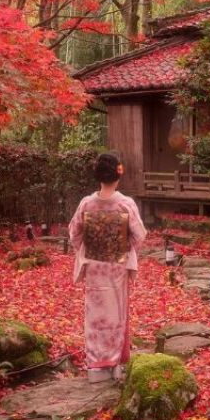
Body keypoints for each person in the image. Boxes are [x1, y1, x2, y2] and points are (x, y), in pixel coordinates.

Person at [68, 153, 147, 383]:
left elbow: (74, 233)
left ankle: (95, 366)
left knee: (95, 315)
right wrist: (125, 249)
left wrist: (88, 249)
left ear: (98, 176)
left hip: (95, 268)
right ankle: (115, 365)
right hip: (116, 268)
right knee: (116, 314)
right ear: (118, 175)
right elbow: (139, 235)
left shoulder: (86, 203)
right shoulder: (125, 203)